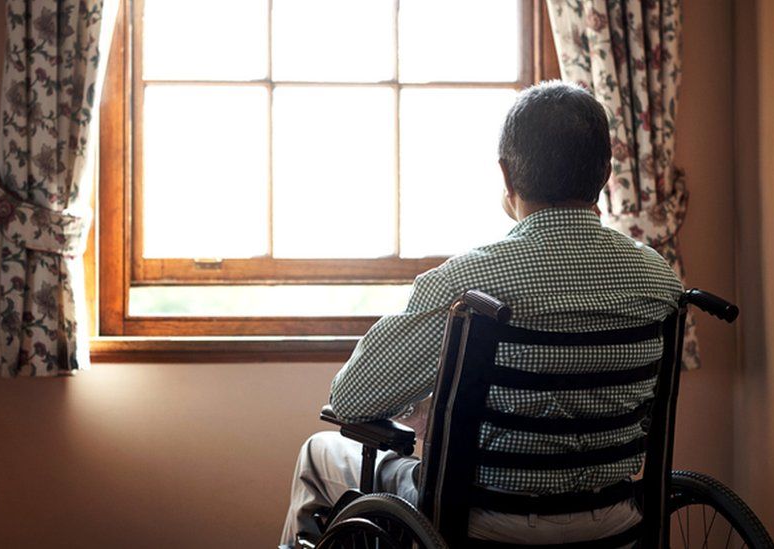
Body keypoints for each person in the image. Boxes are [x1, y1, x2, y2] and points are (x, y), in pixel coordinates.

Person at [279, 81, 683, 548]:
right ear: (606, 172)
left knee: (320, 452)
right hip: (615, 518)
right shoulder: (658, 279)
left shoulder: (466, 284)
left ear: (507, 174)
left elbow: (351, 401)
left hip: (480, 523)